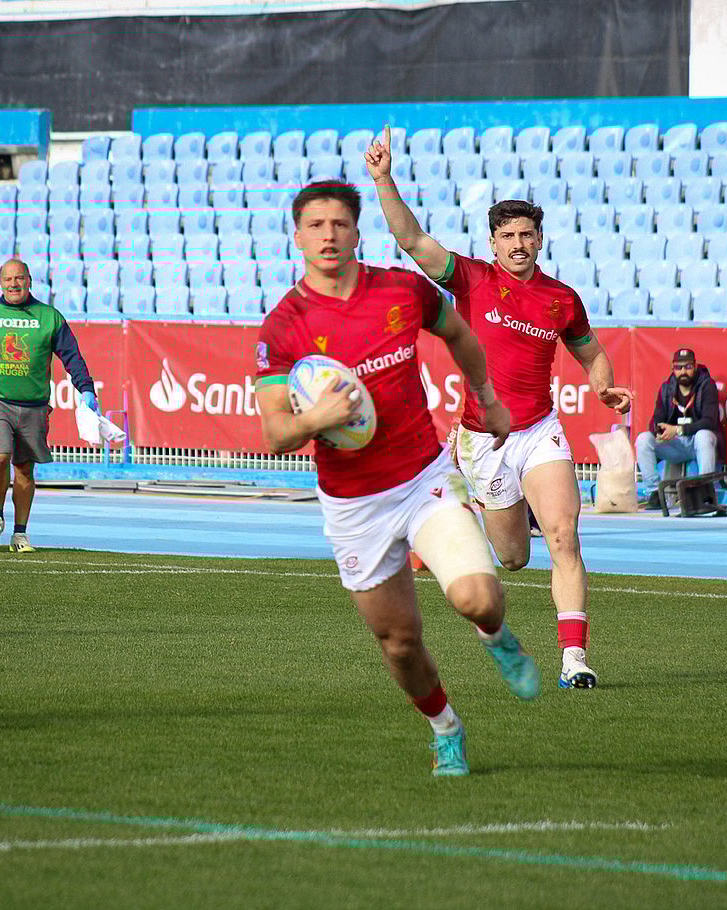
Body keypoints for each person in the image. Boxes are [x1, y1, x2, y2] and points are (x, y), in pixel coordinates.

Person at [254, 180, 540, 778]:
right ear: (298, 234)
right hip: (353, 506)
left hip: (423, 479)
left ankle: (496, 634)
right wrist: (316, 419)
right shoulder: (284, 325)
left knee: (476, 597)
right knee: (400, 643)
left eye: (339, 223)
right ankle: (446, 730)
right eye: (315, 225)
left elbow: (461, 334)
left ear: (357, 231)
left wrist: (486, 397)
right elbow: (277, 432)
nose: (328, 235)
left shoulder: (401, 290)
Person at [365, 126, 632, 691]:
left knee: (563, 534)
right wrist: (384, 178)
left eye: (527, 235)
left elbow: (593, 353)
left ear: (541, 240)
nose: (518, 244)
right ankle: (449, 509)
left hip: (540, 431)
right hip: (482, 440)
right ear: (493, 243)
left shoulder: (562, 299)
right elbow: (411, 239)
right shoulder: (471, 279)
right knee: (513, 557)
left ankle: (574, 659)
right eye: (508, 235)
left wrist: (604, 386)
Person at [0, 258, 100, 553]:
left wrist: (86, 389)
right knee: (1, 456)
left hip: (34, 405)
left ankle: (20, 533)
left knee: (24, 469)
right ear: (0, 281)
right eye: (8, 279)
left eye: (19, 278)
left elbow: (72, 356)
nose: (14, 284)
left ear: (29, 280)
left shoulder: (50, 317)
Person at [635, 347, 725, 511]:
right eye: (678, 367)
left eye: (688, 367)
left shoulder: (707, 385)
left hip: (696, 443)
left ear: (695, 366)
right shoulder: (667, 388)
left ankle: (705, 493)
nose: (683, 371)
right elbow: (655, 419)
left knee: (704, 436)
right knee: (643, 439)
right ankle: (654, 494)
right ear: (673, 368)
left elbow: (709, 421)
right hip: (674, 445)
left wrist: (677, 430)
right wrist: (659, 430)